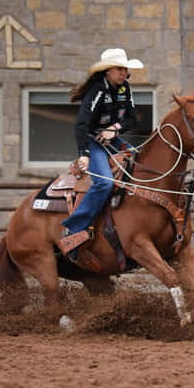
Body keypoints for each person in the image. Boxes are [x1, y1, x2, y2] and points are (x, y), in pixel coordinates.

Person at [58, 48, 142, 259]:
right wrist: (83, 154)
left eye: (125, 69)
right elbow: (81, 125)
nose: (124, 73)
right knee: (104, 182)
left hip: (112, 137)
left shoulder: (125, 88)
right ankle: (74, 227)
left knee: (139, 161)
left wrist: (114, 128)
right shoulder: (96, 90)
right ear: (107, 71)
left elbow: (132, 119)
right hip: (92, 141)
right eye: (119, 69)